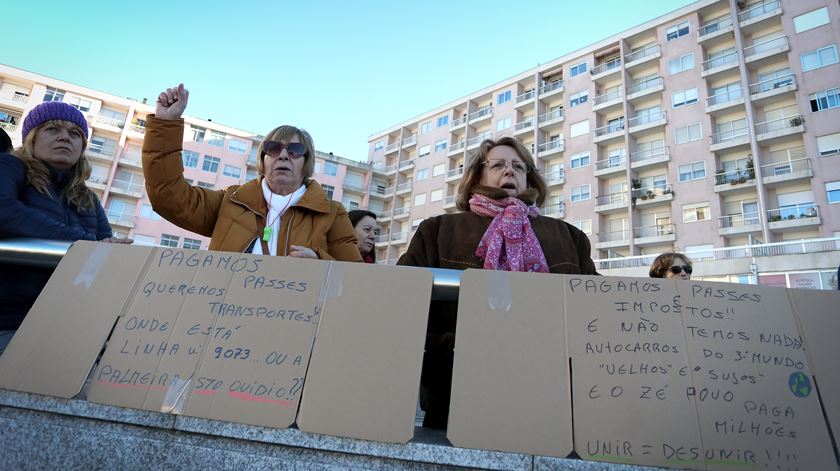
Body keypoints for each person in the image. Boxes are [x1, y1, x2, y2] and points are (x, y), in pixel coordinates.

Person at [398, 137, 598, 428]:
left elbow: (592, 308)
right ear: (477, 175)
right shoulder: (439, 231)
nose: (509, 171)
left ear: (529, 177)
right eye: (498, 165)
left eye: (518, 166)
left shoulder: (569, 237)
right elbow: (402, 304)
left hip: (549, 396)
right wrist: (456, 349)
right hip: (453, 395)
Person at [143, 84, 361, 262]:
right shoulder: (230, 201)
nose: (283, 156)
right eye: (273, 149)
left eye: (295, 150)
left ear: (306, 163)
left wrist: (320, 263)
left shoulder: (332, 214)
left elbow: (355, 280)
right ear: (262, 160)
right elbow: (168, 196)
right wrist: (165, 124)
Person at [0, 102, 132, 353]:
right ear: (31, 138)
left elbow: (107, 253)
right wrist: (84, 245)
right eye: (52, 129)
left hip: (69, 326)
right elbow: (3, 211)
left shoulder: (89, 199)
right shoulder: (9, 166)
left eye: (75, 134)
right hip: (10, 320)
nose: (64, 137)